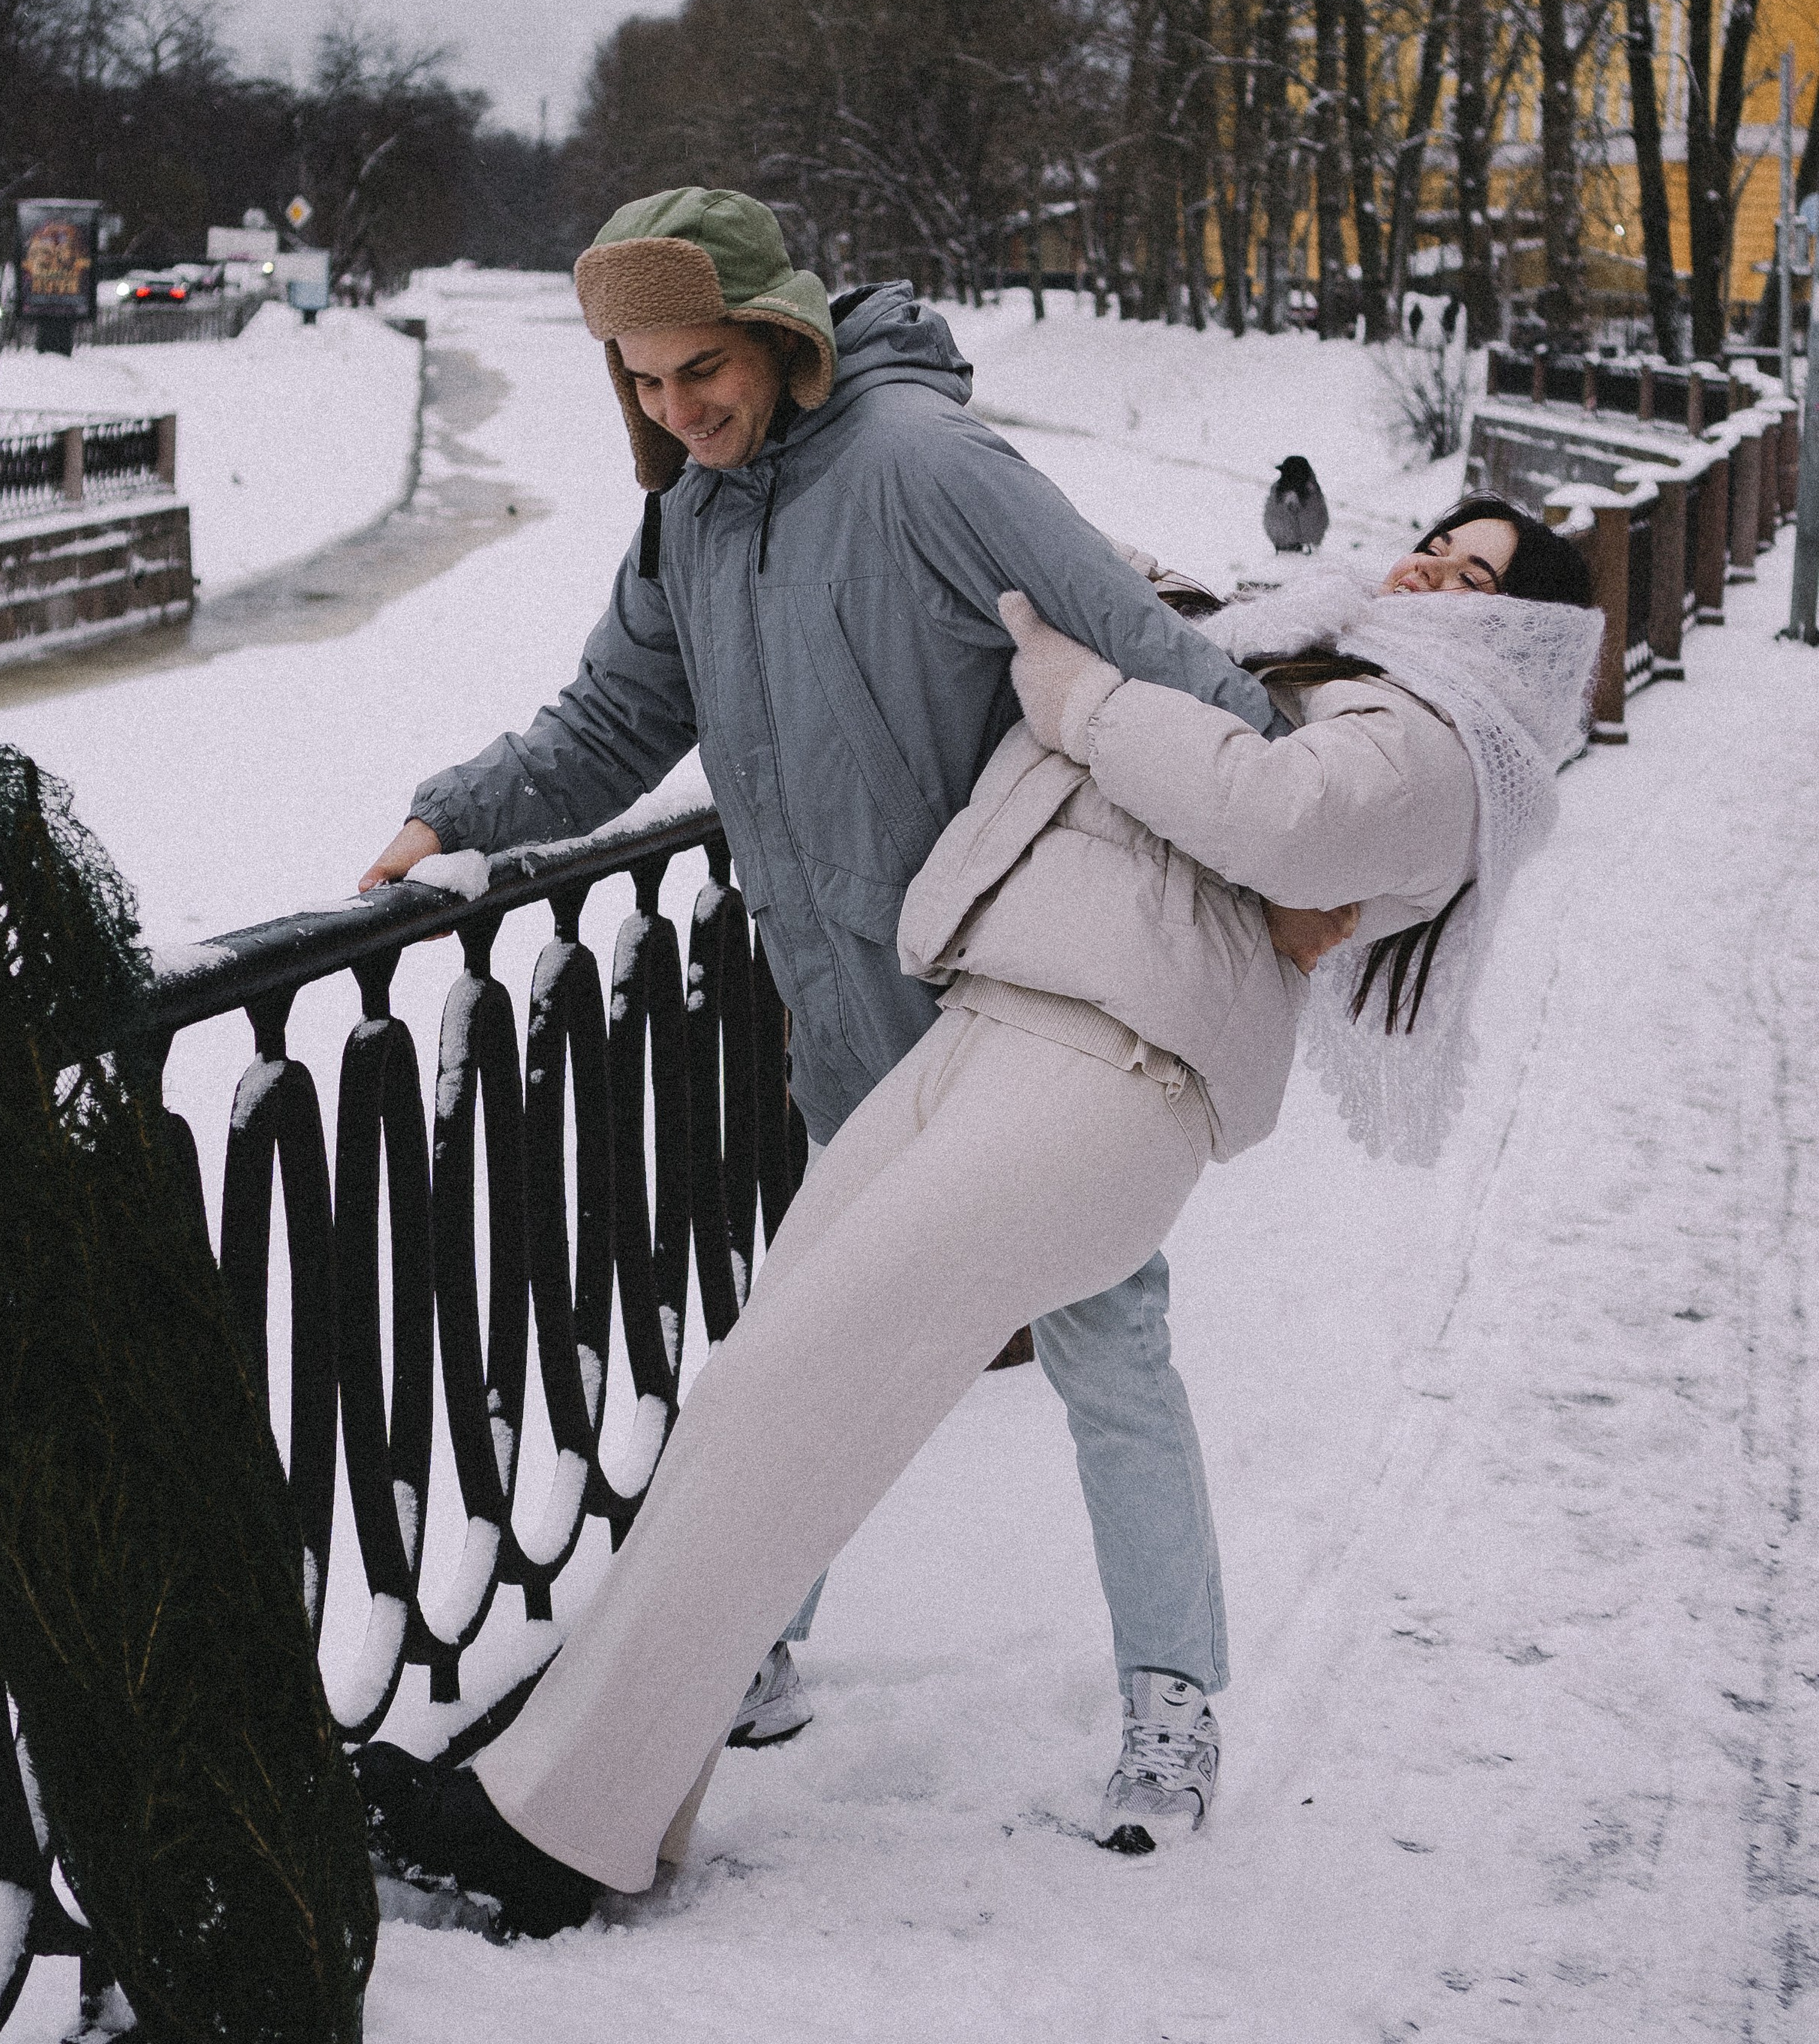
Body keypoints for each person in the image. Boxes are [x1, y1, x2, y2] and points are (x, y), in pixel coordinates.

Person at [355, 496, 1600, 1932]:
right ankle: (612, 1794)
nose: (1434, 571)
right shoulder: (1296, 652)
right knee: (757, 1394)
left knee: (792, 1398)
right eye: (1438, 542)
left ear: (1514, 631)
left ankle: (552, 1834)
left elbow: (1276, 821)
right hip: (999, 1014)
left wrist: (1087, 704)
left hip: (1114, 1069)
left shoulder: (1443, 745)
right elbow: (1165, 691)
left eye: (1477, 576)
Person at [361, 186, 1328, 1833]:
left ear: (778, 332)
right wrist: (455, 817)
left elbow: (1163, 671)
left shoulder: (925, 472)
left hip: (1027, 1019)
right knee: (802, 1354)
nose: (675, 411)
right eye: (642, 383)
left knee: (1105, 1338)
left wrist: (1296, 859)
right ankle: (750, 1647)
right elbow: (611, 721)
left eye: (699, 371)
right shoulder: (688, 519)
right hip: (843, 1018)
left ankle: (1171, 1699)